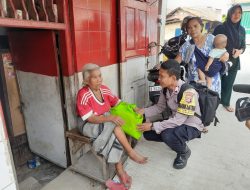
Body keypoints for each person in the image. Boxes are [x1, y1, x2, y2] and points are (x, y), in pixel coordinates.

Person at [76, 63, 147, 187]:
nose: (99, 80)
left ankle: (119, 173)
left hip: (105, 121)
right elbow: (90, 118)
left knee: (114, 133)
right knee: (114, 126)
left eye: (100, 76)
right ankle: (130, 153)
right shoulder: (83, 94)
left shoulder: (104, 89)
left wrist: (133, 108)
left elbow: (117, 102)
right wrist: (110, 117)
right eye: (94, 77)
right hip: (87, 125)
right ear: (87, 80)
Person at [135, 59, 204, 169]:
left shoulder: (188, 93)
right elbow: (159, 107)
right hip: (176, 121)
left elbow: (178, 121)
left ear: (172, 78)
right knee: (148, 134)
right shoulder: (165, 89)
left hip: (191, 125)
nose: (158, 79)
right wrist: (143, 111)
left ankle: (184, 152)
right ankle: (174, 139)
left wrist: (153, 126)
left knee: (167, 134)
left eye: (162, 76)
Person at [175, 16, 229, 93]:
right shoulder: (186, 46)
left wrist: (226, 54)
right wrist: (164, 65)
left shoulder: (212, 39)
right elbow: (176, 61)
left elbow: (223, 50)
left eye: (195, 26)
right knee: (194, 104)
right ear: (187, 30)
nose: (193, 29)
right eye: (189, 28)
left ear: (201, 27)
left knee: (210, 103)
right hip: (194, 84)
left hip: (212, 83)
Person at [213, 4, 246, 112]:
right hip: (220, 60)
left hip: (234, 61)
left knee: (229, 83)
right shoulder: (221, 27)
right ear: (229, 13)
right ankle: (213, 103)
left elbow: (243, 45)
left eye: (239, 13)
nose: (237, 15)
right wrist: (224, 52)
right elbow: (212, 43)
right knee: (217, 82)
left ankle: (226, 102)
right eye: (234, 12)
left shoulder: (242, 30)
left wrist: (240, 51)